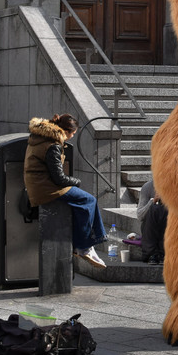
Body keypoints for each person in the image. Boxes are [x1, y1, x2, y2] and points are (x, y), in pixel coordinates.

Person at [23, 114, 107, 268]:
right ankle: (85, 247)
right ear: (66, 131)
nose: (71, 137)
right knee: (89, 200)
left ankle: (83, 245)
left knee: (80, 203)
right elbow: (59, 179)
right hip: (46, 189)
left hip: (38, 186)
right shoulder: (52, 146)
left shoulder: (39, 137)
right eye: (72, 134)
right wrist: (76, 182)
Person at [138, 178, 167, 265]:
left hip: (168, 223)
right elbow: (140, 216)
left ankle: (163, 253)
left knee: (165, 210)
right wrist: (152, 201)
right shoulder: (148, 187)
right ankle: (151, 254)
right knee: (154, 209)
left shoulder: (176, 186)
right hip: (149, 225)